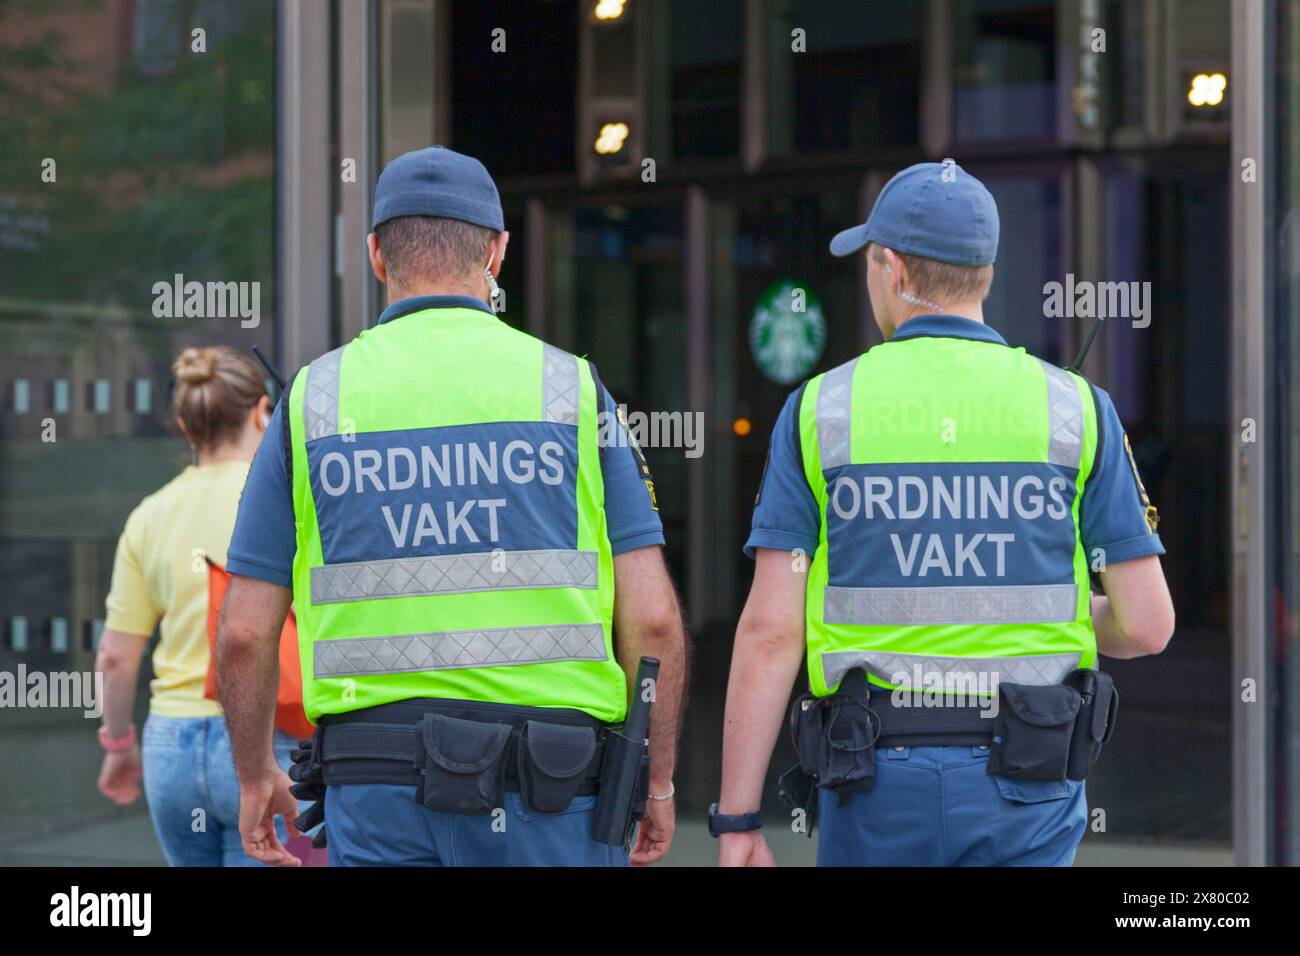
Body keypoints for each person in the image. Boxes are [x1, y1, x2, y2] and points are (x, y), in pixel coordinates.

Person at [217, 145, 686, 867]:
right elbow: (652, 619)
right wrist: (655, 782)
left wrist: (254, 774)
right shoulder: (574, 391)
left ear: (377, 255)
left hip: (377, 788)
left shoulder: (312, 400)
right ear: (498, 252)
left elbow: (245, 634)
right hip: (551, 789)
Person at [713, 161, 1175, 867]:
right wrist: (1066, 602)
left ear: (892, 269)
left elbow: (773, 631)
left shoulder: (820, 410)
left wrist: (739, 818)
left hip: (874, 778)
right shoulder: (1076, 409)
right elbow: (1147, 626)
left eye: (870, 261)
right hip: (1029, 779)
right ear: (984, 272)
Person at [96, 346, 300, 866]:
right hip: (264, 736)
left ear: (186, 428)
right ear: (262, 412)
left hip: (171, 744)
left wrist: (119, 745)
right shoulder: (285, 501)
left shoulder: (150, 515)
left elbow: (117, 656)